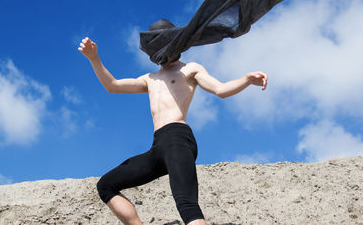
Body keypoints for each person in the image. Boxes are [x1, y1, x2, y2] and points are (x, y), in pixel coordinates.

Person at [78, 36, 267, 225]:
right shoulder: (150, 78)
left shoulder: (190, 69)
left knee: (187, 204)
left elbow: (220, 89)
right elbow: (113, 85)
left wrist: (246, 79)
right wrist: (94, 58)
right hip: (157, 147)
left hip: (178, 138)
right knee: (106, 185)